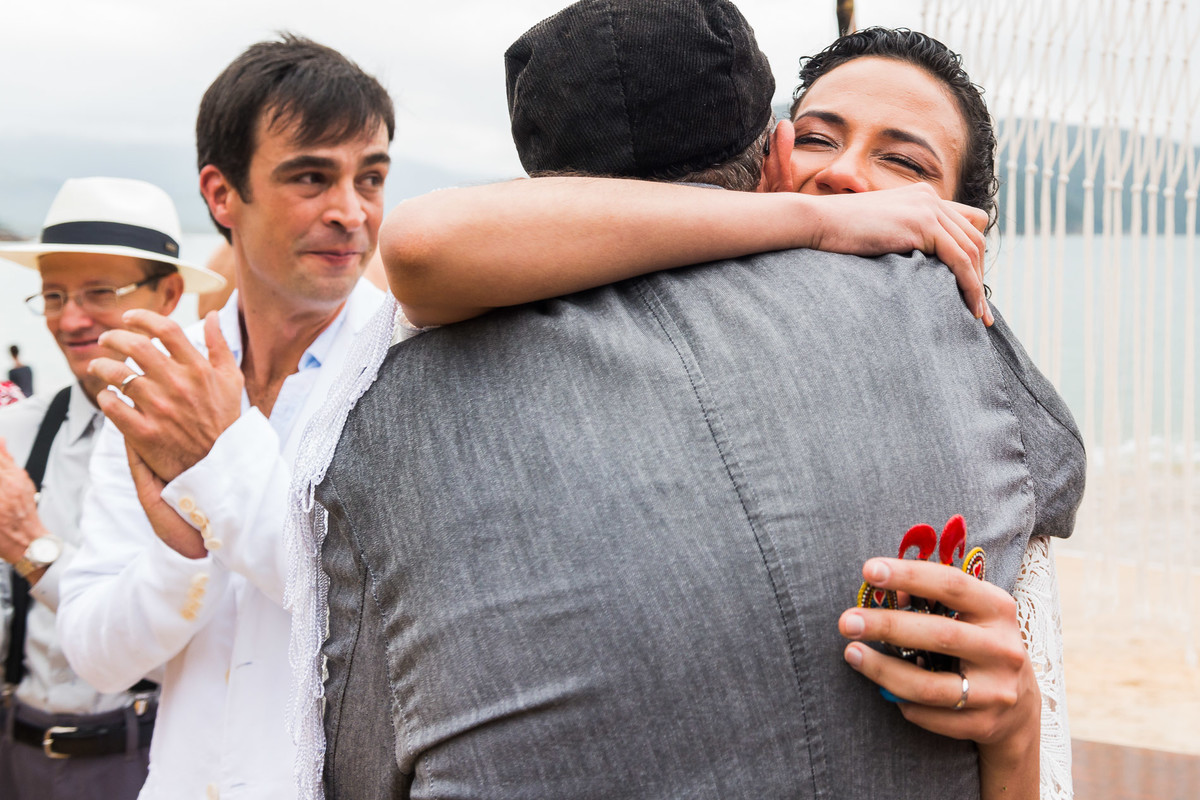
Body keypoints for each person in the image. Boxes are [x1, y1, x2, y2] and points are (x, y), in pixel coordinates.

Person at [309, 4, 1083, 800]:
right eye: (819, 138)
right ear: (776, 154)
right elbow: (428, 245)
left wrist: (1018, 722)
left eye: (905, 166)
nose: (849, 179)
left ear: (970, 219)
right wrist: (812, 222)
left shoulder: (969, 382)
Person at [56, 36, 395, 799]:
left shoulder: (418, 366)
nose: (349, 212)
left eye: (370, 178)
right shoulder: (161, 382)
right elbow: (98, 659)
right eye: (312, 176)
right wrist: (178, 553)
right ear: (220, 194)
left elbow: (383, 613)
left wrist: (215, 462)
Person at [0, 177, 223, 800]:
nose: (69, 319)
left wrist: (29, 545)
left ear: (170, 293)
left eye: (100, 292)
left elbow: (181, 647)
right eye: (51, 295)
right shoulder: (16, 432)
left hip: (147, 759)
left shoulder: (221, 447)